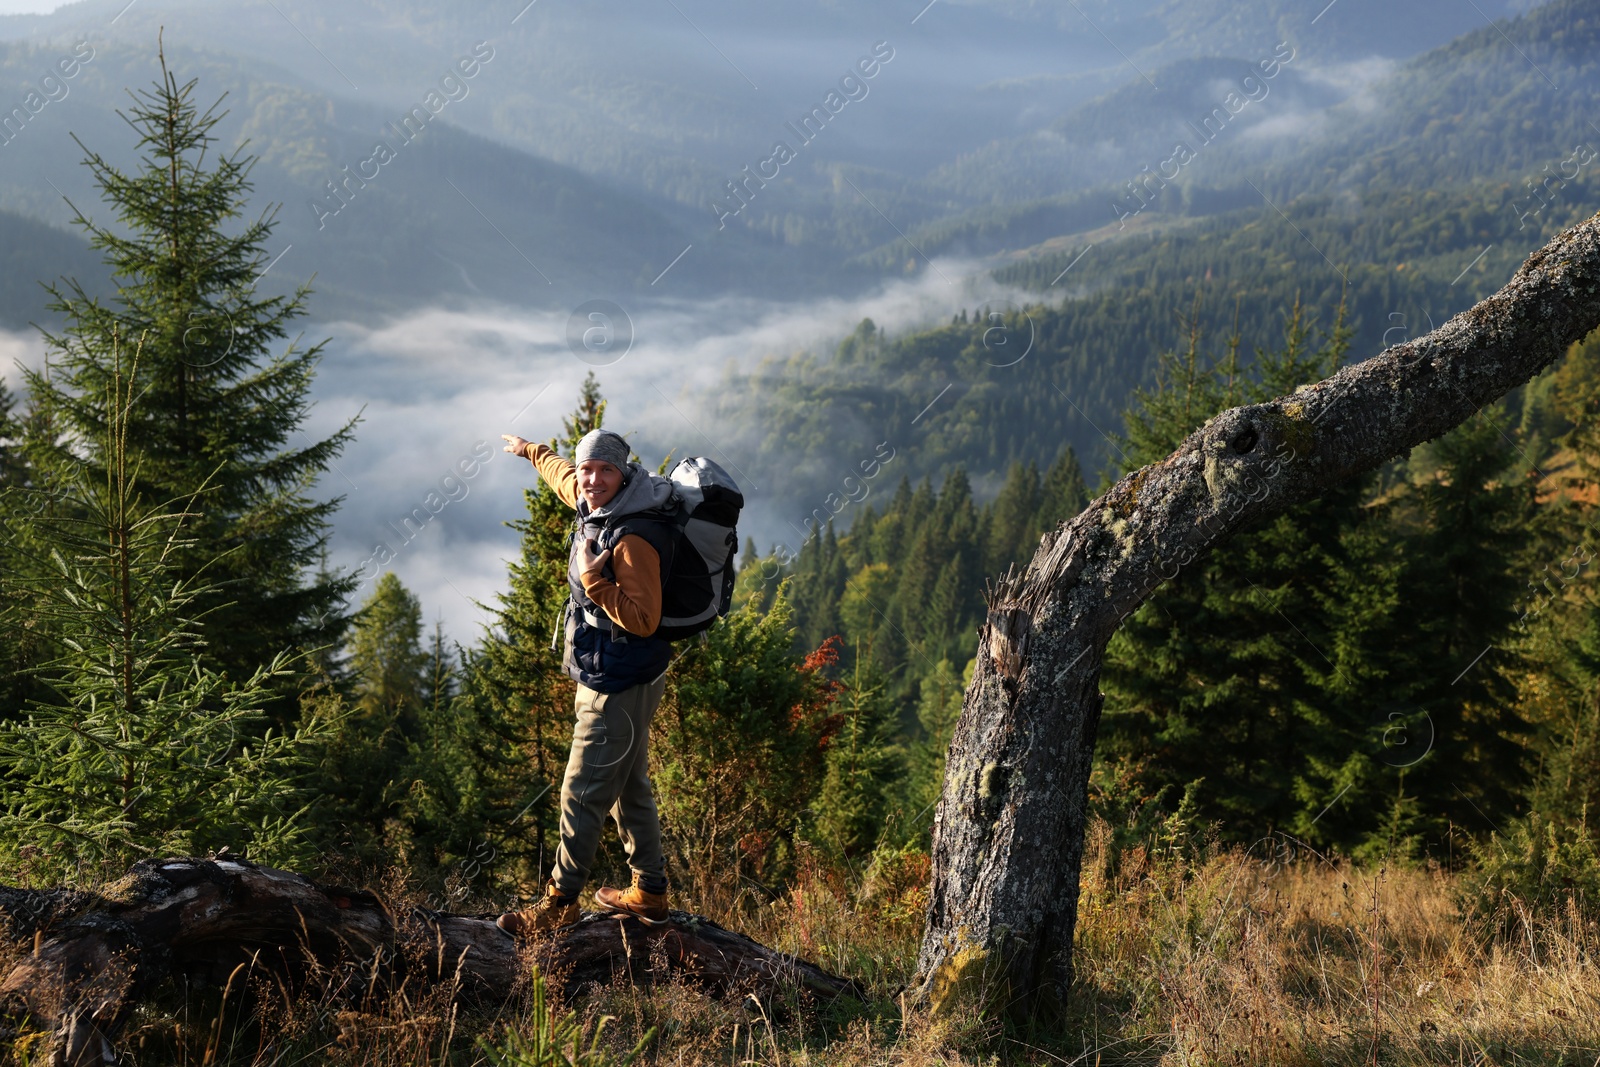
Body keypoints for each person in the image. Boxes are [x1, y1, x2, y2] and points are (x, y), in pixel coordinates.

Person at [494, 427, 676, 934]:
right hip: (622, 672)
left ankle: (560, 902)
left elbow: (643, 618)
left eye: (605, 470)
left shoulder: (633, 534)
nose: (592, 480)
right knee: (628, 783)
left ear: (624, 473)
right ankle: (650, 891)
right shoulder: (597, 496)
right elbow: (565, 478)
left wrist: (594, 581)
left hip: (617, 681)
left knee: (582, 790)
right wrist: (532, 451)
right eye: (588, 469)